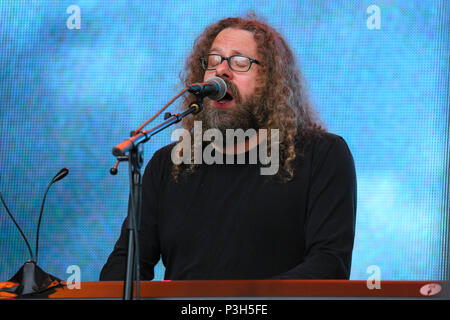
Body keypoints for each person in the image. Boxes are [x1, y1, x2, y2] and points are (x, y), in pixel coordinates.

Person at [100, 15, 357, 281]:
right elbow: (126, 264)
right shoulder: (169, 163)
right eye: (213, 61)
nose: (222, 71)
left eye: (240, 62)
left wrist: (240, 303)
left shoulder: (323, 155)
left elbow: (328, 265)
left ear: (270, 81)